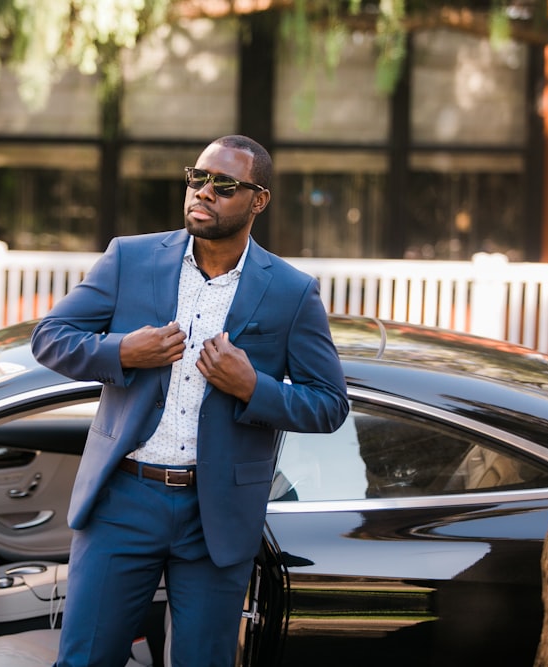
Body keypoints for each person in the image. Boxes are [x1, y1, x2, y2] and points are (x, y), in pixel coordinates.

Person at [30, 134, 349, 667]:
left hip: (217, 513)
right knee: (84, 659)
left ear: (258, 200)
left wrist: (253, 388)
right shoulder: (129, 259)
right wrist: (123, 351)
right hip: (123, 499)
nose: (203, 193)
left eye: (224, 185)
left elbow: (328, 404)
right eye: (197, 178)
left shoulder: (292, 292)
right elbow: (50, 338)